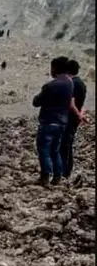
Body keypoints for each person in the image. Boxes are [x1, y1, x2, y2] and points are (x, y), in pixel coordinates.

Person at [31, 57, 80, 186]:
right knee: (55, 150)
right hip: (62, 123)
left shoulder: (50, 86)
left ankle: (45, 176)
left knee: (44, 150)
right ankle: (57, 176)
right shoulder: (70, 83)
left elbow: (36, 102)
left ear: (55, 68)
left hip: (48, 121)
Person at [60, 59, 90, 181]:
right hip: (74, 120)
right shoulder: (82, 83)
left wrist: (78, 116)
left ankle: (64, 173)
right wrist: (81, 115)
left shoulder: (71, 83)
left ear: (66, 71)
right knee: (68, 145)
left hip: (69, 119)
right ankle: (67, 172)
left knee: (64, 146)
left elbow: (71, 103)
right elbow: (81, 104)